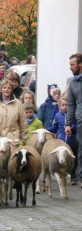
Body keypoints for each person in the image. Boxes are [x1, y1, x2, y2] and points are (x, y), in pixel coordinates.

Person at [0, 79, 28, 144]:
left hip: (13, 140)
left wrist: (24, 139)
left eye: (9, 88)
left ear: (12, 89)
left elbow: (23, 122)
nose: (6, 89)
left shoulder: (18, 103)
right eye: (4, 88)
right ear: (1, 89)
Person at [48, 97, 77, 185]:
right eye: (63, 105)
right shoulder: (57, 116)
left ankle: (73, 176)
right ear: (59, 106)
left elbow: (77, 125)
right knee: (61, 158)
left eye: (67, 105)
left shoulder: (74, 115)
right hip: (61, 141)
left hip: (72, 141)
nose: (65, 107)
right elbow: (54, 127)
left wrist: (73, 128)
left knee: (72, 159)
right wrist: (48, 130)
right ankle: (62, 174)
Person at [65, 53, 82, 188]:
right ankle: (81, 177)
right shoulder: (73, 83)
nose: (70, 67)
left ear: (80, 65)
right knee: (81, 150)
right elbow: (71, 104)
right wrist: (68, 124)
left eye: (72, 65)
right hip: (80, 121)